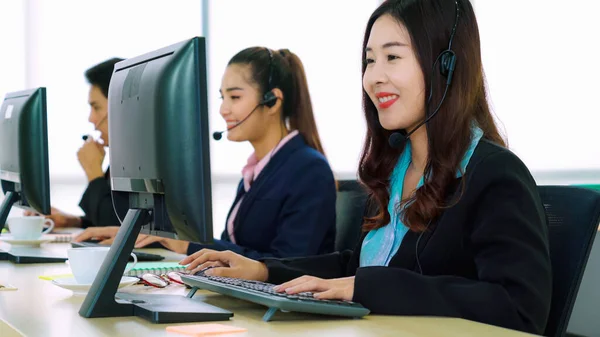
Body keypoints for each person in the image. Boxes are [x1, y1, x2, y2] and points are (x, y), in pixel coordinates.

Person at [177, 0, 552, 334]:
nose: (373, 77)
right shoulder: (396, 168)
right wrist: (264, 271)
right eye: (369, 60)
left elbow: (519, 310)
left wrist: (366, 286)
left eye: (392, 57)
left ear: (446, 65)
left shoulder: (495, 175)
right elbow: (355, 265)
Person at [74, 47, 338, 260]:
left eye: (234, 98)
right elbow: (238, 248)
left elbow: (290, 264)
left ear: (272, 101)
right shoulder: (257, 170)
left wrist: (189, 245)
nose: (223, 109)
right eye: (222, 98)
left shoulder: (307, 168)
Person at [25, 58, 125, 228]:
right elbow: (117, 221)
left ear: (121, 105)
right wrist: (75, 221)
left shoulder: (149, 158)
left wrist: (94, 173)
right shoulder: (123, 156)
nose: (91, 119)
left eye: (96, 107)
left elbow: (125, 230)